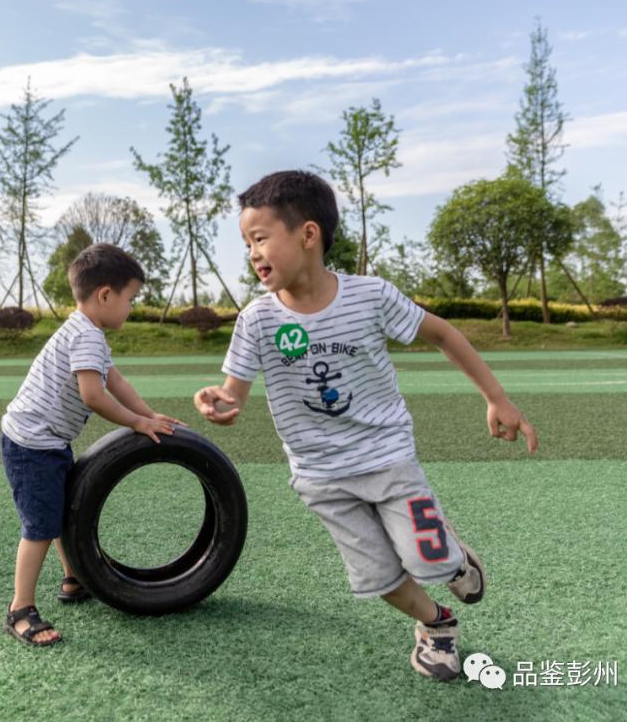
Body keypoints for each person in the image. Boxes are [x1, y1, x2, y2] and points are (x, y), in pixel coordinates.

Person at [194, 170, 537, 680]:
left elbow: (443, 334)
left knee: (431, 563)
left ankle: (453, 561)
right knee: (377, 577)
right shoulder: (257, 321)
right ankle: (438, 626)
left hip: (387, 456)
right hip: (320, 475)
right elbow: (234, 396)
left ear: (308, 235)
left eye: (260, 238)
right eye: (246, 243)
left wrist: (498, 398)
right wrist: (219, 403)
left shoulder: (370, 297)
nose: (252, 254)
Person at [0, 243, 183, 646]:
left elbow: (115, 381)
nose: (131, 308)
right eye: (130, 299)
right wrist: (136, 421)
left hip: (46, 440)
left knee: (63, 512)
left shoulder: (87, 332)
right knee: (41, 527)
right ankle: (20, 609)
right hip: (32, 444)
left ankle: (74, 578)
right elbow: (94, 395)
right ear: (105, 294)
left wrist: (149, 415)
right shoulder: (85, 336)